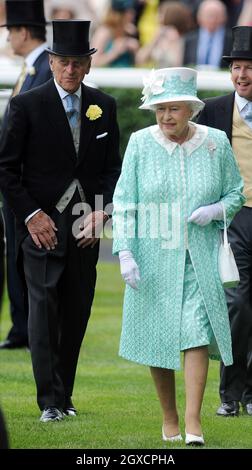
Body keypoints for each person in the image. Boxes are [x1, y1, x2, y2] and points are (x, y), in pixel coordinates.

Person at [112, 67, 245, 445]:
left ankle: (193, 424)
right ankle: (169, 418)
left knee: (196, 334)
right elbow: (124, 203)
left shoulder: (216, 142)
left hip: (199, 257)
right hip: (152, 256)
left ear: (191, 109)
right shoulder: (140, 143)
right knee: (159, 336)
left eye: (174, 108)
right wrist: (125, 253)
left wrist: (216, 210)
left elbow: (235, 193)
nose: (166, 116)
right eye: (159, 109)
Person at [0, 19, 121, 422]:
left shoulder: (104, 105)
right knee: (43, 309)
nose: (70, 70)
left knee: (76, 311)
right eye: (63, 62)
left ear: (88, 65)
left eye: (77, 63)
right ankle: (49, 401)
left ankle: (64, 395)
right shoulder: (26, 106)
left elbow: (112, 171)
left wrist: (102, 212)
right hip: (41, 227)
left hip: (86, 228)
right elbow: (5, 170)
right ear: (51, 62)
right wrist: (32, 216)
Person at [198, 25, 252, 417]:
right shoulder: (215, 110)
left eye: (248, 67)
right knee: (238, 303)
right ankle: (230, 394)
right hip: (234, 218)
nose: (242, 75)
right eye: (236, 67)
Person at [0, 0, 52, 350]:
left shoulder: (44, 70)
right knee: (15, 257)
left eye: (9, 32)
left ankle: (30, 327)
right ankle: (22, 327)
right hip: (13, 180)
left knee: (26, 257)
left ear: (22, 32)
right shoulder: (31, 70)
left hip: (26, 183)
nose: (7, 38)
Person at [183, 0, 232, 69]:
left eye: (216, 16)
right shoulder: (189, 39)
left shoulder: (232, 39)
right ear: (199, 17)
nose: (212, 20)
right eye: (209, 15)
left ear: (224, 17)